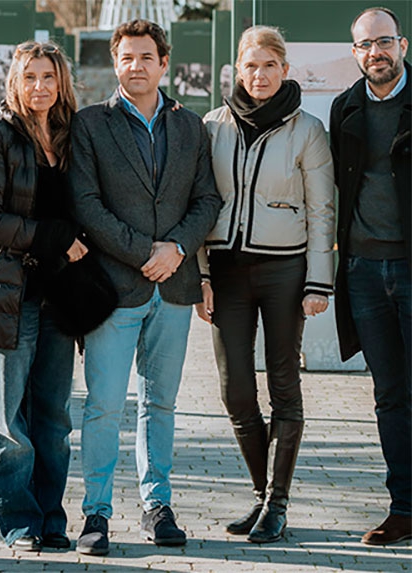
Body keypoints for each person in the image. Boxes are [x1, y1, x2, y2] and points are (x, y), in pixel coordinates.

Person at [69, 19, 222, 555]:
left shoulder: (190, 127)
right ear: (116, 64)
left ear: (164, 63)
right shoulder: (90, 124)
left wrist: (176, 248)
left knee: (160, 404)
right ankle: (96, 513)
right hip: (116, 287)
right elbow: (86, 204)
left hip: (174, 290)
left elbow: (207, 199)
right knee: (103, 406)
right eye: (127, 57)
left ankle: (157, 505)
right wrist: (144, 252)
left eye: (145, 57)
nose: (136, 66)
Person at [195, 25, 335, 544]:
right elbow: (200, 204)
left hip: (285, 272)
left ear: (285, 69)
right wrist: (202, 275)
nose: (259, 76)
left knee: (283, 385)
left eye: (269, 66)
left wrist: (319, 281)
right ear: (238, 68)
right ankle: (261, 495)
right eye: (250, 66)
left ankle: (278, 502)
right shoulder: (213, 125)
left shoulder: (307, 129)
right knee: (235, 389)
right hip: (226, 272)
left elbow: (323, 210)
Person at [0, 40, 86, 552]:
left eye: (49, 77)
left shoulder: (72, 134)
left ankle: (53, 518)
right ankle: (20, 522)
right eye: (30, 76)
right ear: (15, 80)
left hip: (61, 298)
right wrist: (51, 236)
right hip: (9, 294)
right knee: (9, 421)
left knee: (54, 420)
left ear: (61, 82)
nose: (39, 86)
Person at [330, 7, 411, 546]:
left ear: (402, 45)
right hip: (362, 269)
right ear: (355, 53)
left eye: (384, 42)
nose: (375, 52)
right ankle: (404, 508)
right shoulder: (345, 107)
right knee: (388, 394)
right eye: (365, 45)